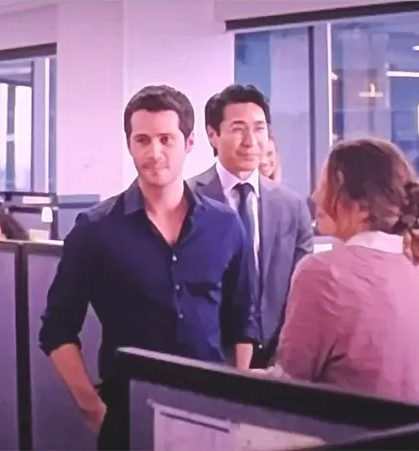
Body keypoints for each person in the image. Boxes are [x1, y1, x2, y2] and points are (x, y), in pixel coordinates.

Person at [40, 85, 259, 450]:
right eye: (142, 140)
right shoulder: (96, 229)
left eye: (166, 139)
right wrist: (93, 408)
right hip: (127, 416)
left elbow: (243, 321)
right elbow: (57, 330)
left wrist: (236, 399)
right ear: (129, 144)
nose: (154, 153)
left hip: (211, 416)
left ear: (189, 143)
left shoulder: (225, 224)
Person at [265, 137, 419, 403]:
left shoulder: (322, 273)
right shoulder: (412, 267)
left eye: (325, 187)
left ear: (362, 207)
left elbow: (287, 387)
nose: (315, 197)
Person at [191, 85, 313, 368]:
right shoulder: (188, 200)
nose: (250, 141)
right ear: (213, 134)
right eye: (238, 129)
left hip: (277, 357)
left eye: (259, 129)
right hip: (209, 357)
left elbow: (301, 288)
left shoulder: (292, 206)